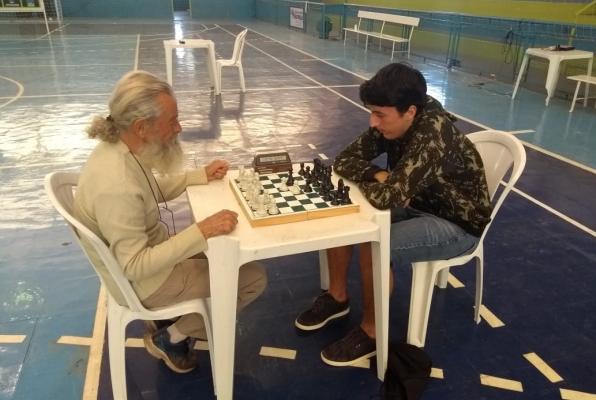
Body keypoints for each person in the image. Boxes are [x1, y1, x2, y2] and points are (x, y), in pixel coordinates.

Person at [295, 63, 492, 367]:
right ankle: (337, 298)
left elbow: (387, 198)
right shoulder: (394, 118)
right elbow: (344, 160)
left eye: (379, 115)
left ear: (410, 111)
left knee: (375, 243)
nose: (373, 123)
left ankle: (372, 333)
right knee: (344, 214)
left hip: (456, 223)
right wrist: (378, 174)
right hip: (420, 203)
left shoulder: (432, 136)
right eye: (371, 113)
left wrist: (386, 186)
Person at [73, 70, 267, 373]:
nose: (179, 127)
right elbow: (135, 265)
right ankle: (171, 336)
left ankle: (176, 320)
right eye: (172, 120)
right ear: (142, 127)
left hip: (152, 259)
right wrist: (201, 230)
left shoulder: (119, 149)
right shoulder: (116, 185)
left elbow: (145, 193)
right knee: (253, 277)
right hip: (146, 282)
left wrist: (198, 176)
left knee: (223, 251)